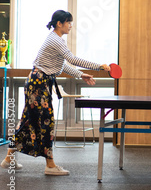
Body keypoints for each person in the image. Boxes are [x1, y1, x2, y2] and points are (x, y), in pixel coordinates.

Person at [1, 10, 110, 176]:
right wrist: (99, 66)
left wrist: (81, 74)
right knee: (46, 122)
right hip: (38, 83)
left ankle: (9, 159)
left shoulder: (56, 39)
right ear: (59, 23)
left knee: (28, 120)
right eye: (69, 22)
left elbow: (62, 65)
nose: (71, 26)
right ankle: (50, 165)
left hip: (37, 82)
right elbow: (72, 59)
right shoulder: (55, 39)